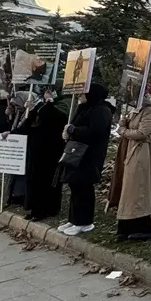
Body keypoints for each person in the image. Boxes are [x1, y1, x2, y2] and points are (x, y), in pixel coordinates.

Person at [58, 83, 113, 236]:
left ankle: (84, 222)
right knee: (74, 186)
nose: (81, 96)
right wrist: (69, 130)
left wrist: (73, 130)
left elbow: (94, 131)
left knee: (84, 188)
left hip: (90, 155)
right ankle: (74, 218)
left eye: (84, 94)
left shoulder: (102, 110)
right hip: (76, 153)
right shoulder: (85, 108)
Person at [110, 85, 151, 241]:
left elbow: (142, 133)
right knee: (127, 190)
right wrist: (124, 122)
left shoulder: (150, 111)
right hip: (130, 150)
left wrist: (123, 131)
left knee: (138, 189)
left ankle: (144, 227)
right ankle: (125, 226)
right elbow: (126, 125)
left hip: (141, 152)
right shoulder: (134, 110)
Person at [23, 88, 68, 222]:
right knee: (35, 180)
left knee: (47, 181)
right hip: (37, 150)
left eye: (49, 91)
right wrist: (31, 109)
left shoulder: (63, 104)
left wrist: (49, 104)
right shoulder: (43, 105)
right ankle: (34, 208)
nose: (46, 93)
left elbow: (56, 118)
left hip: (51, 151)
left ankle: (46, 209)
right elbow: (30, 123)